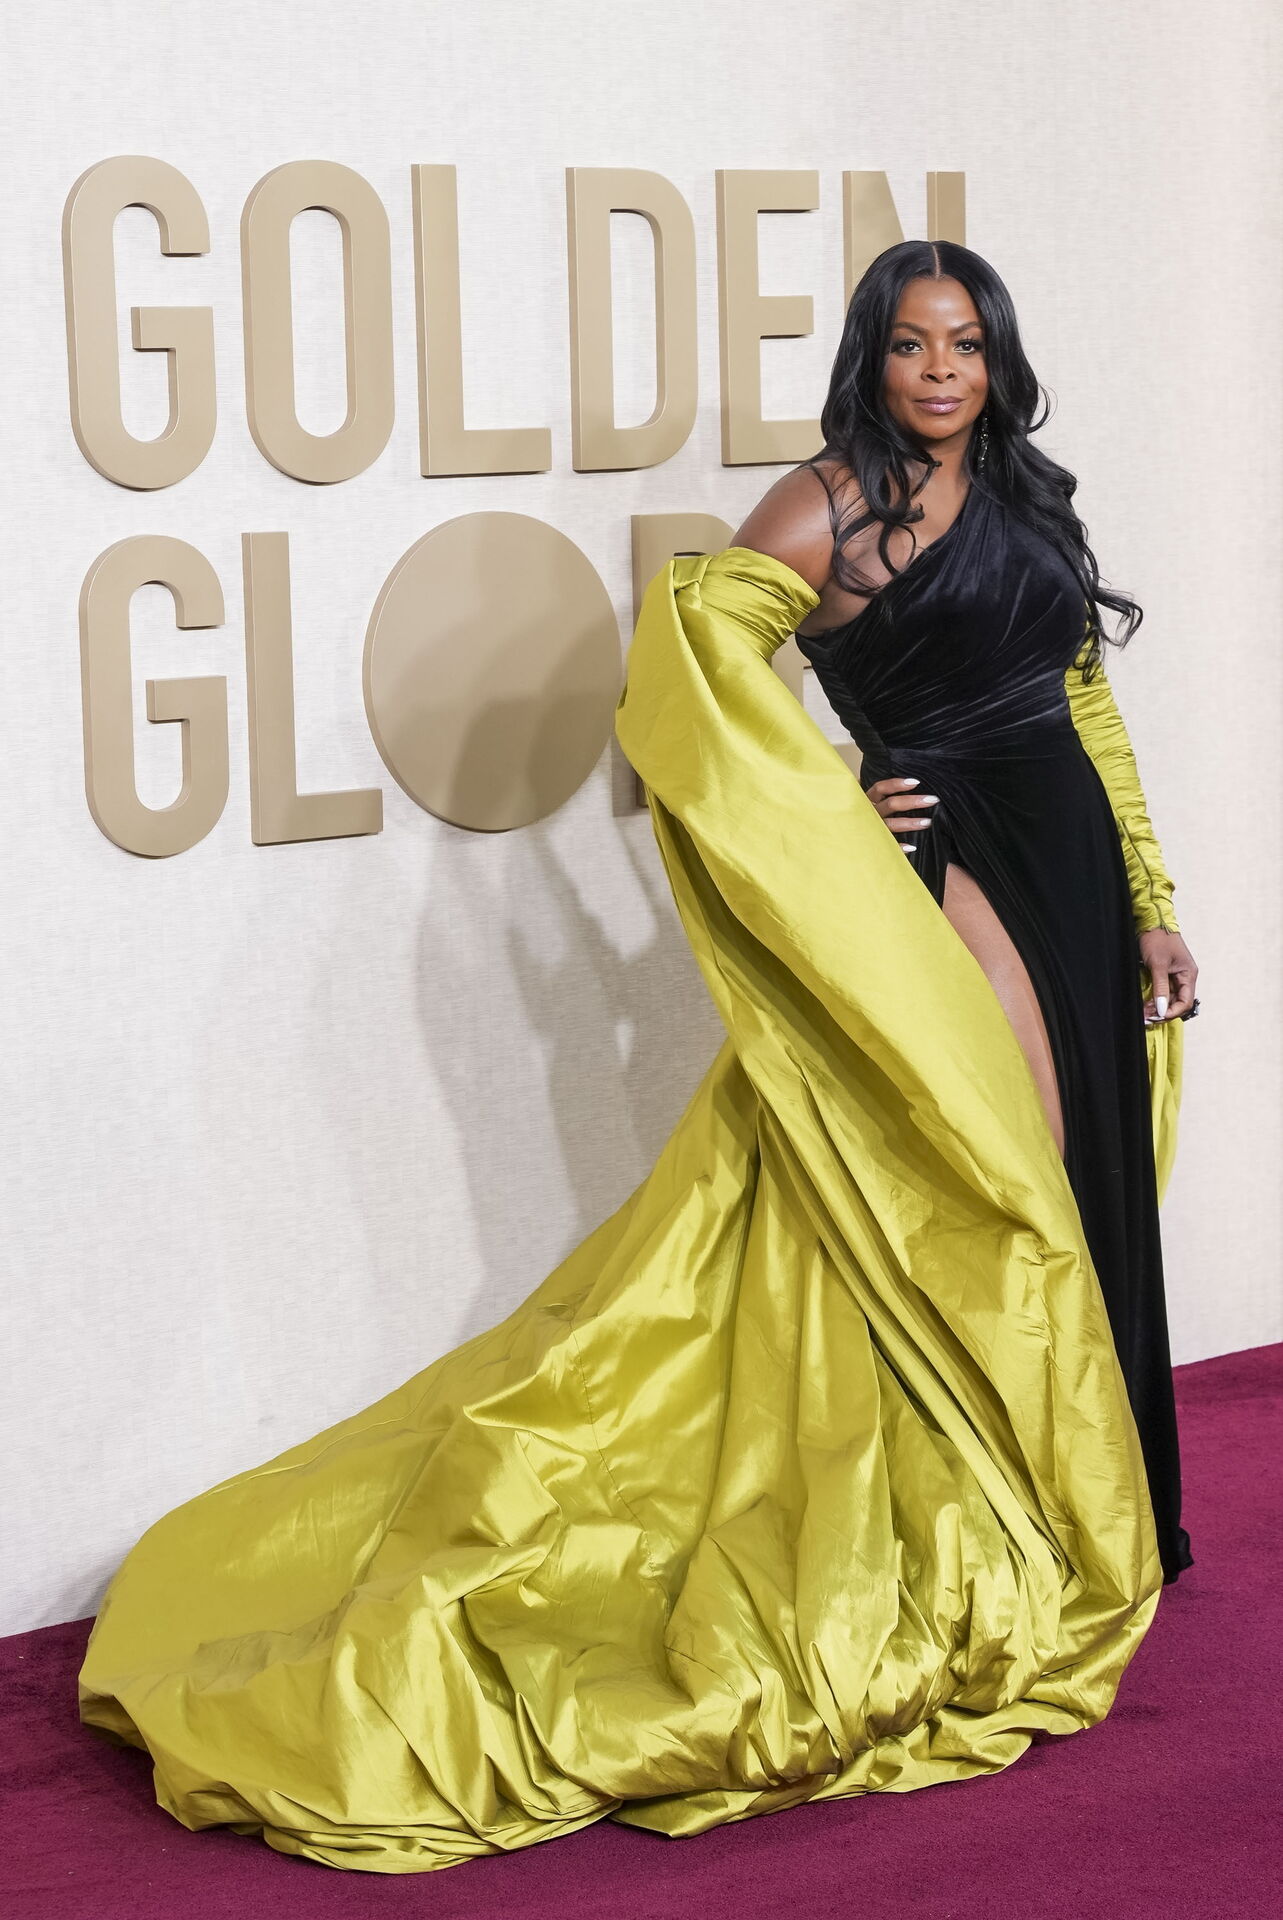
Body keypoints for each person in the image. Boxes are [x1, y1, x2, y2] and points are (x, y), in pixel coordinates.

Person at [78, 240, 1199, 1876]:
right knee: (1004, 1206)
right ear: (871, 361)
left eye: (965, 345)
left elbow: (1086, 706)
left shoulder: (1027, 498)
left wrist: (1156, 899)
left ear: (997, 357)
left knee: (1079, 1182)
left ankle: (1089, 1506)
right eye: (910, 346)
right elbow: (680, 680)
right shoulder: (822, 511)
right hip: (950, 872)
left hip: (1075, 863)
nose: (941, 372)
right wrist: (826, 794)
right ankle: (1018, 1540)